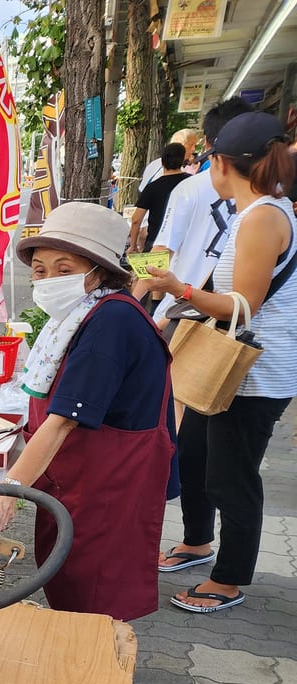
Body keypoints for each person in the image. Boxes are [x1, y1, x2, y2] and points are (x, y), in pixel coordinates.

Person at [0, 202, 177, 621]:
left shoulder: (111, 322)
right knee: (73, 583)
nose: (49, 280)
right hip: (78, 481)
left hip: (106, 486)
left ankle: (96, 676)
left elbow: (62, 421)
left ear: (99, 271)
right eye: (40, 269)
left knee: (94, 597)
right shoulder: (82, 314)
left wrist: (9, 487)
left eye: (64, 268)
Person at [146, 111, 296, 613]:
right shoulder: (250, 212)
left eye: (209, 159)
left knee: (233, 476)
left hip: (254, 373)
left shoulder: (265, 218)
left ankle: (229, 579)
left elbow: (243, 306)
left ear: (225, 163)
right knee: (194, 454)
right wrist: (173, 306)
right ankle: (196, 541)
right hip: (234, 369)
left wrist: (178, 289)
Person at [144, 98, 255, 328]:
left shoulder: (190, 188)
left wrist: (136, 301)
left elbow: (162, 250)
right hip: (216, 317)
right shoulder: (271, 198)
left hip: (195, 316)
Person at [127, 143, 192, 253]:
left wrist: (133, 246)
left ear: (162, 162)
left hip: (155, 242)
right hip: (184, 243)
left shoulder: (152, 187)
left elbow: (136, 219)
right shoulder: (192, 183)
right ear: (182, 161)